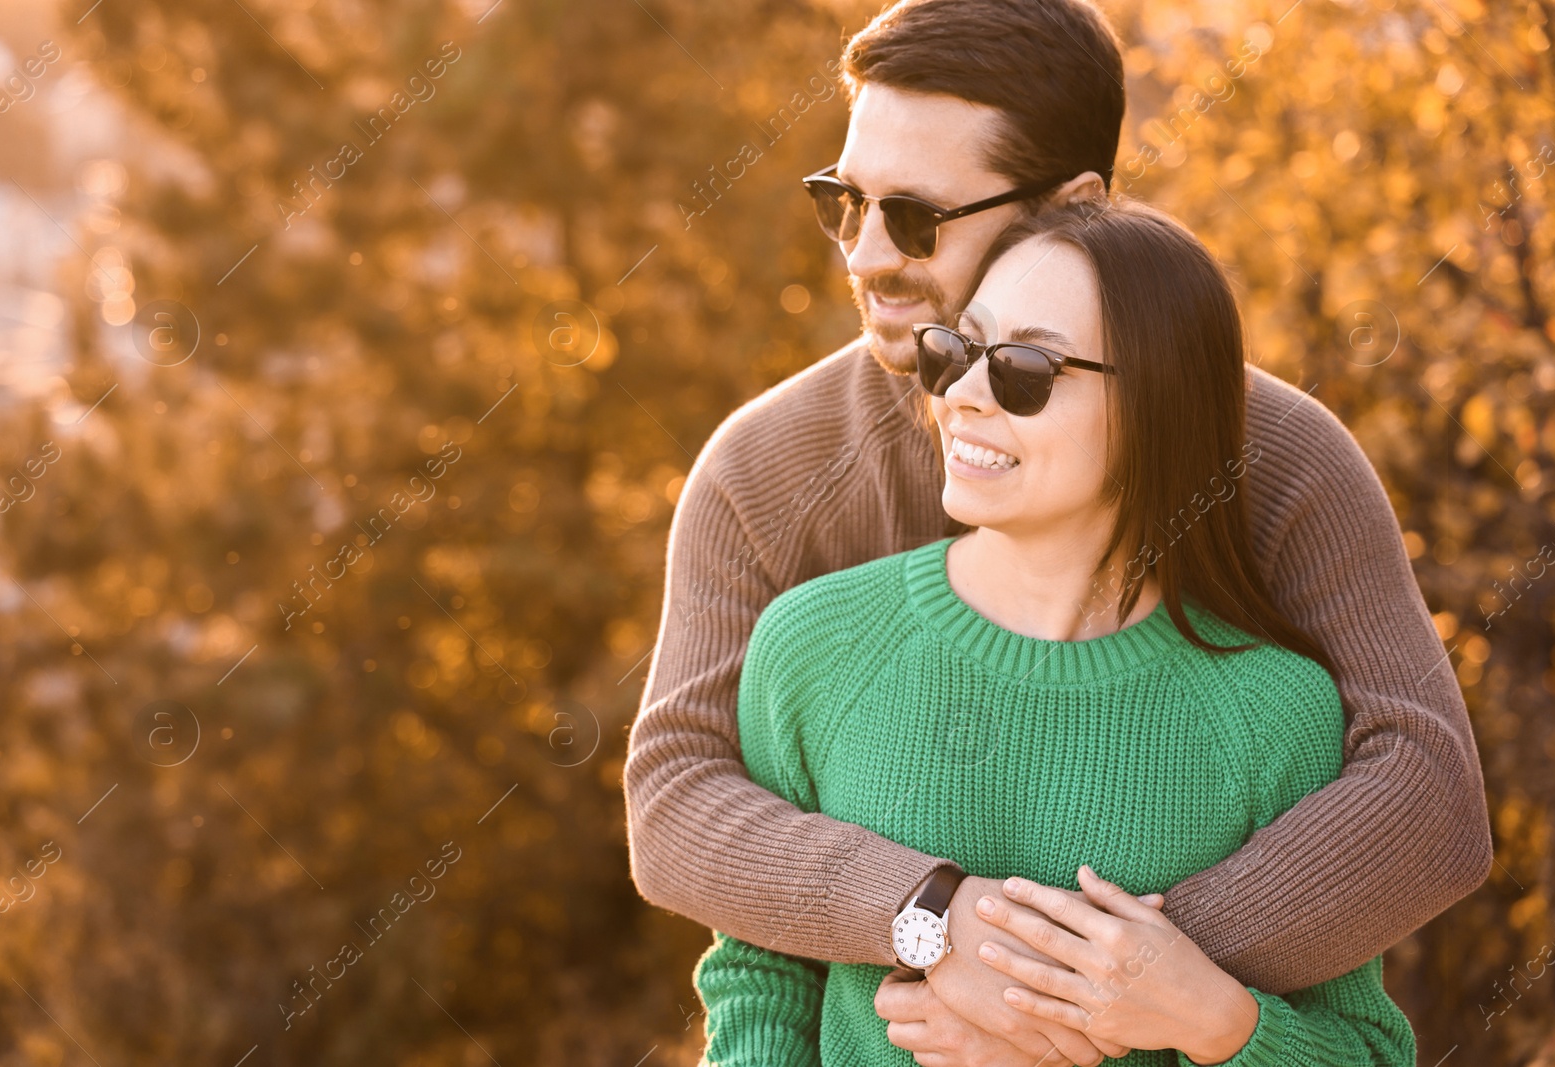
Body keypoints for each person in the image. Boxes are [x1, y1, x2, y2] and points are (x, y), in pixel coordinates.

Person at [624, 0, 1490, 1062]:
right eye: (843, 204)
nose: (864, 255)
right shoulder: (762, 470)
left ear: (1071, 204)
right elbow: (678, 799)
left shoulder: (1280, 457)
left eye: (916, 216)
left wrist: (1086, 994)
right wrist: (933, 918)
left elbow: (1424, 795)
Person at [693, 196, 1418, 1065]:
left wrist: (1214, 1023)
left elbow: (1367, 1048)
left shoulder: (1275, 713)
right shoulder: (812, 646)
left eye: (1023, 367)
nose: (960, 393)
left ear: (1154, 405)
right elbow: (761, 974)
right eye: (958, 347)